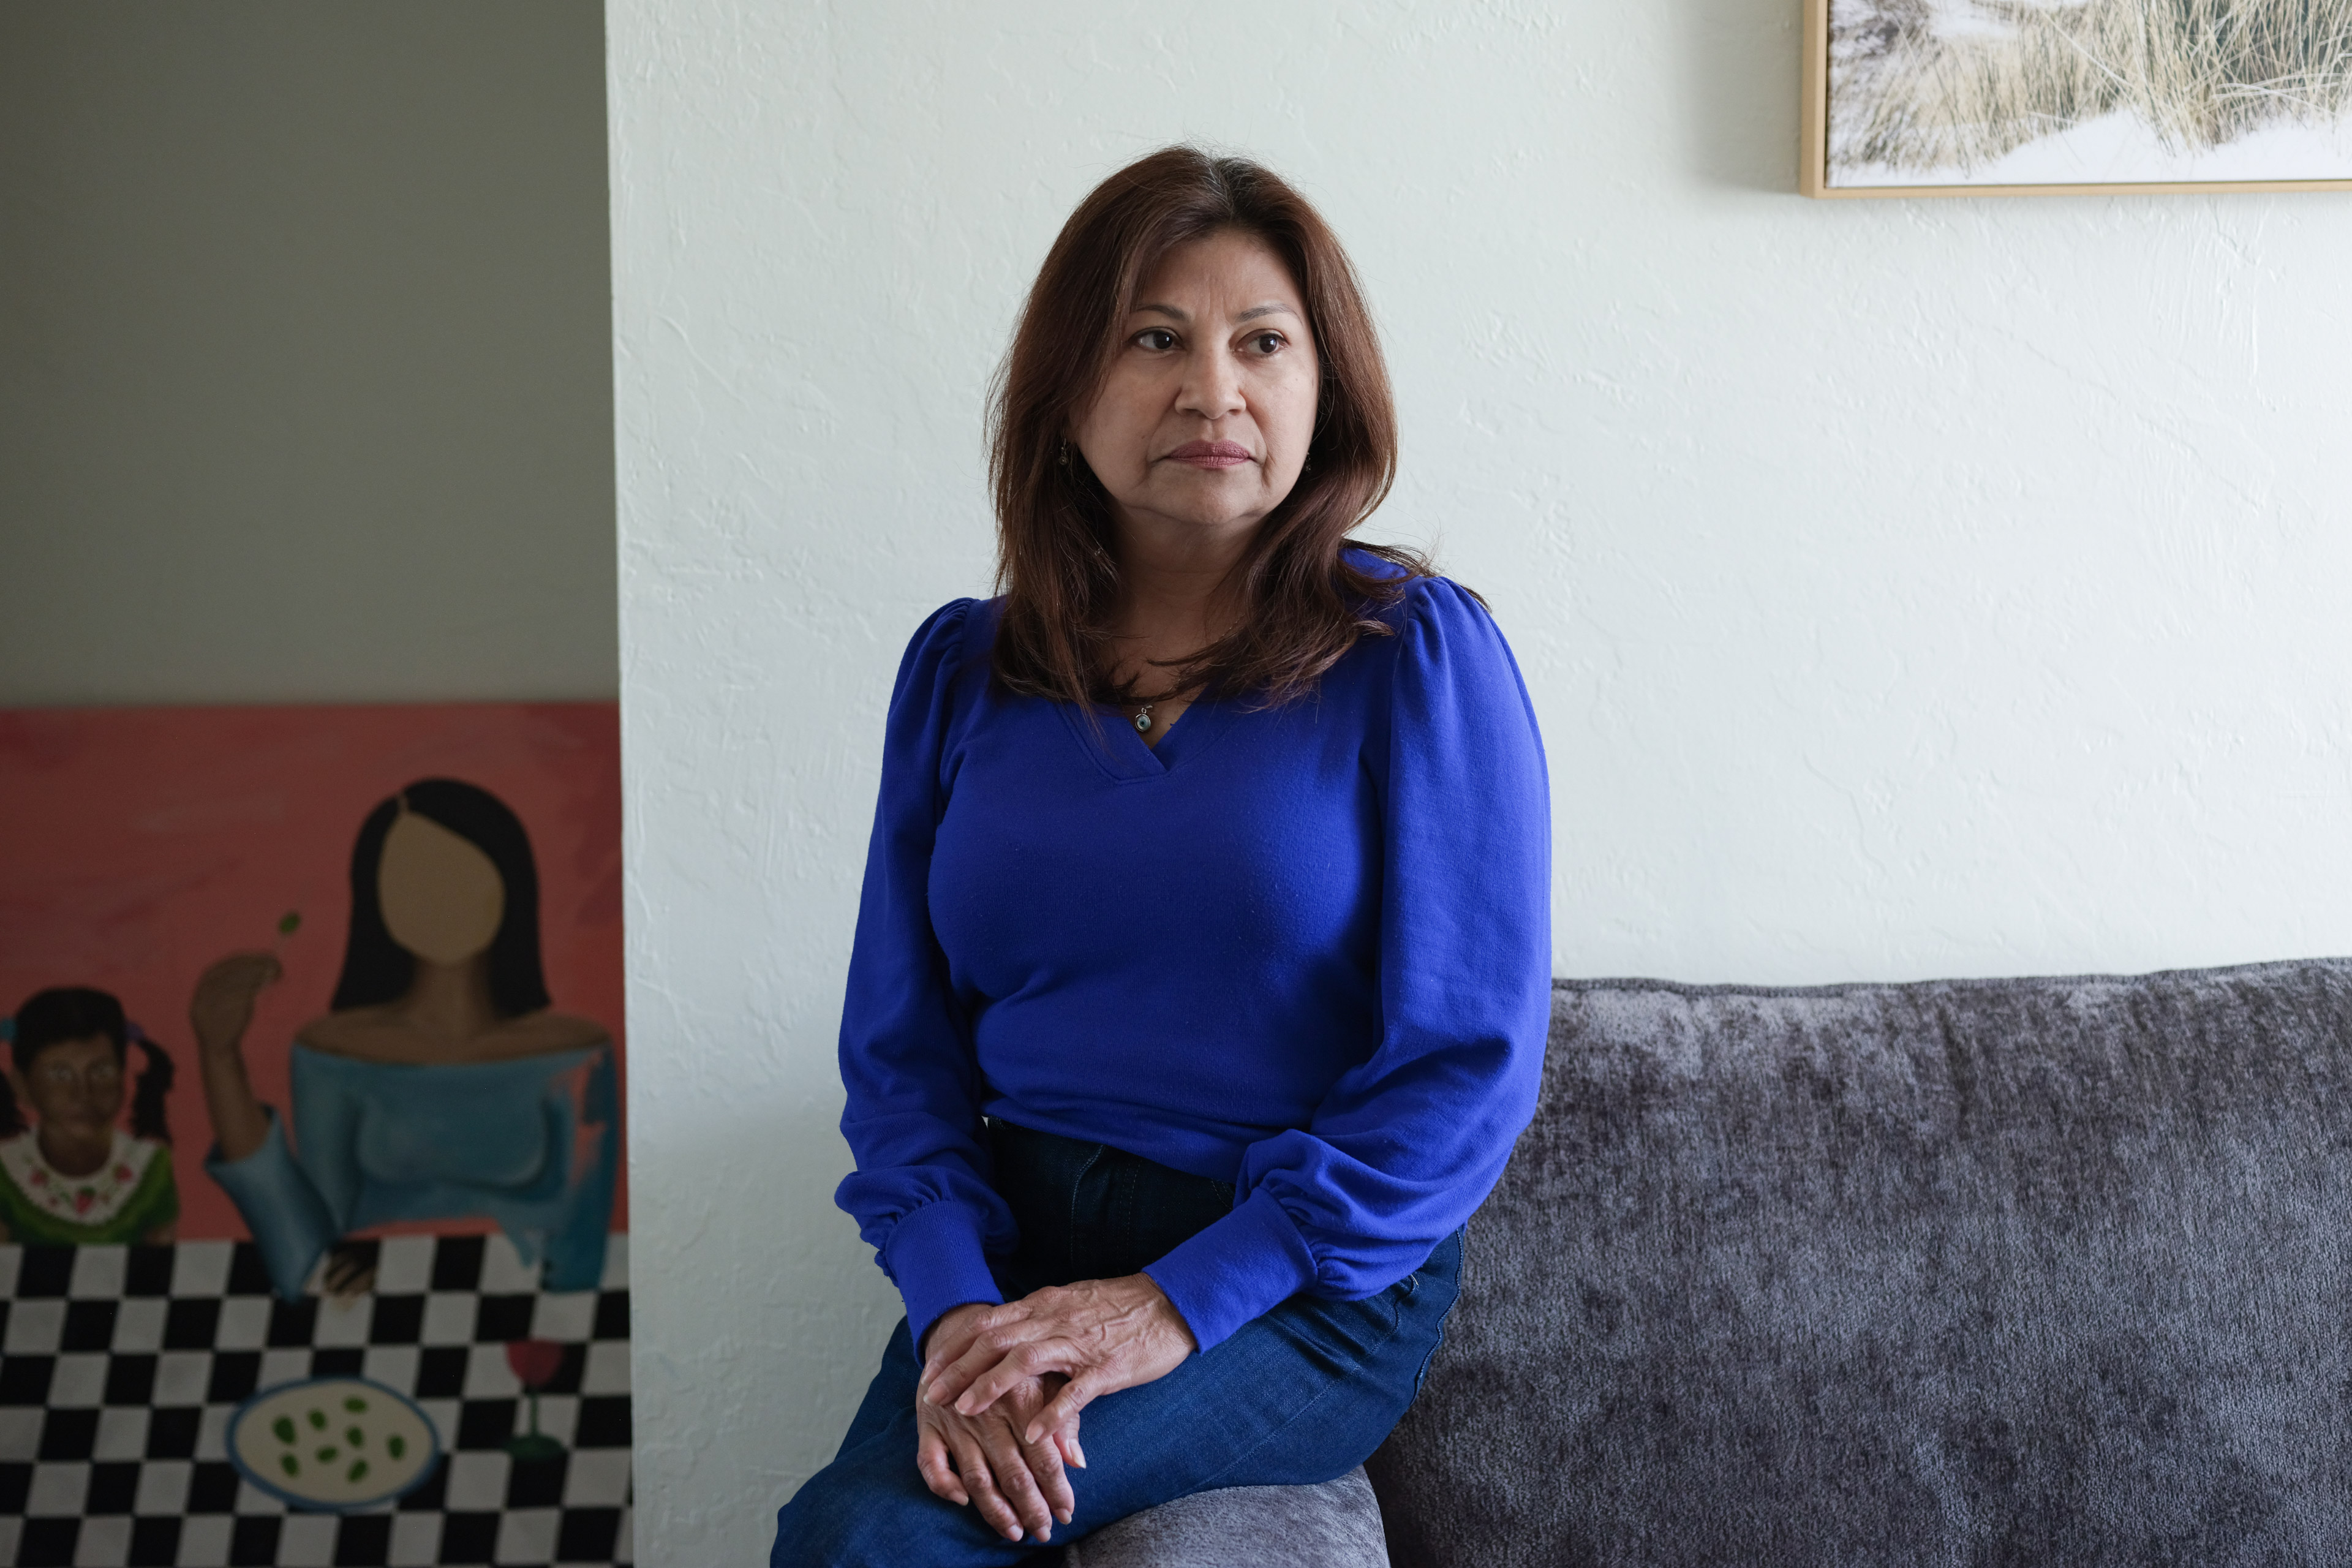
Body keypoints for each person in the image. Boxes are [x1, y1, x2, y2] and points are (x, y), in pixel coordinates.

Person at [771, 147, 1551, 1564]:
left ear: (1326, 389)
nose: (1213, 389)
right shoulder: (961, 668)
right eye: (1154, 339)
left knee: (874, 1539)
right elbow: (899, 1052)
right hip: (1011, 1246)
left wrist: (1170, 1299)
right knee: (846, 1535)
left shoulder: (1416, 658)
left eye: (1262, 342)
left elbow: (1462, 1065)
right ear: (1068, 392)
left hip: (1294, 1279)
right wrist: (953, 1303)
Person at [191, 777, 619, 1300]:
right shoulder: (336, 1051)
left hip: (529, 1324)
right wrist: (220, 1057)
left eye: (458, 874)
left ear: (507, 880)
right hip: (378, 1327)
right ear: (376, 897)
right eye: (410, 878)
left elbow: (582, 1246)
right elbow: (306, 1248)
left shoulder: (575, 1055)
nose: (437, 898)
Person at [0, 987, 181, 1246]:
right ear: (22, 1086)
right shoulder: (5, 1172)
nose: (83, 1093)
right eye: (60, 1075)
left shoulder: (151, 1167)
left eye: (101, 1071)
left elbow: (159, 1274)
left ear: (122, 1077)